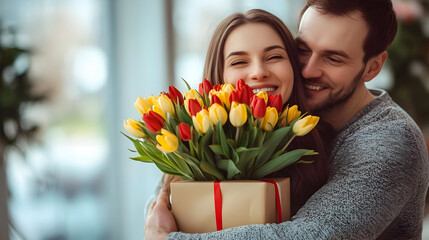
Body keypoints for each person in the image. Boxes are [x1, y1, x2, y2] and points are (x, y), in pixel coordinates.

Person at [146, 0, 429, 238]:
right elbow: (165, 203)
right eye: (302, 50)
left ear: (373, 67)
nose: (307, 70)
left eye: (333, 58)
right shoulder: (279, 120)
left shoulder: (391, 140)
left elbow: (311, 234)